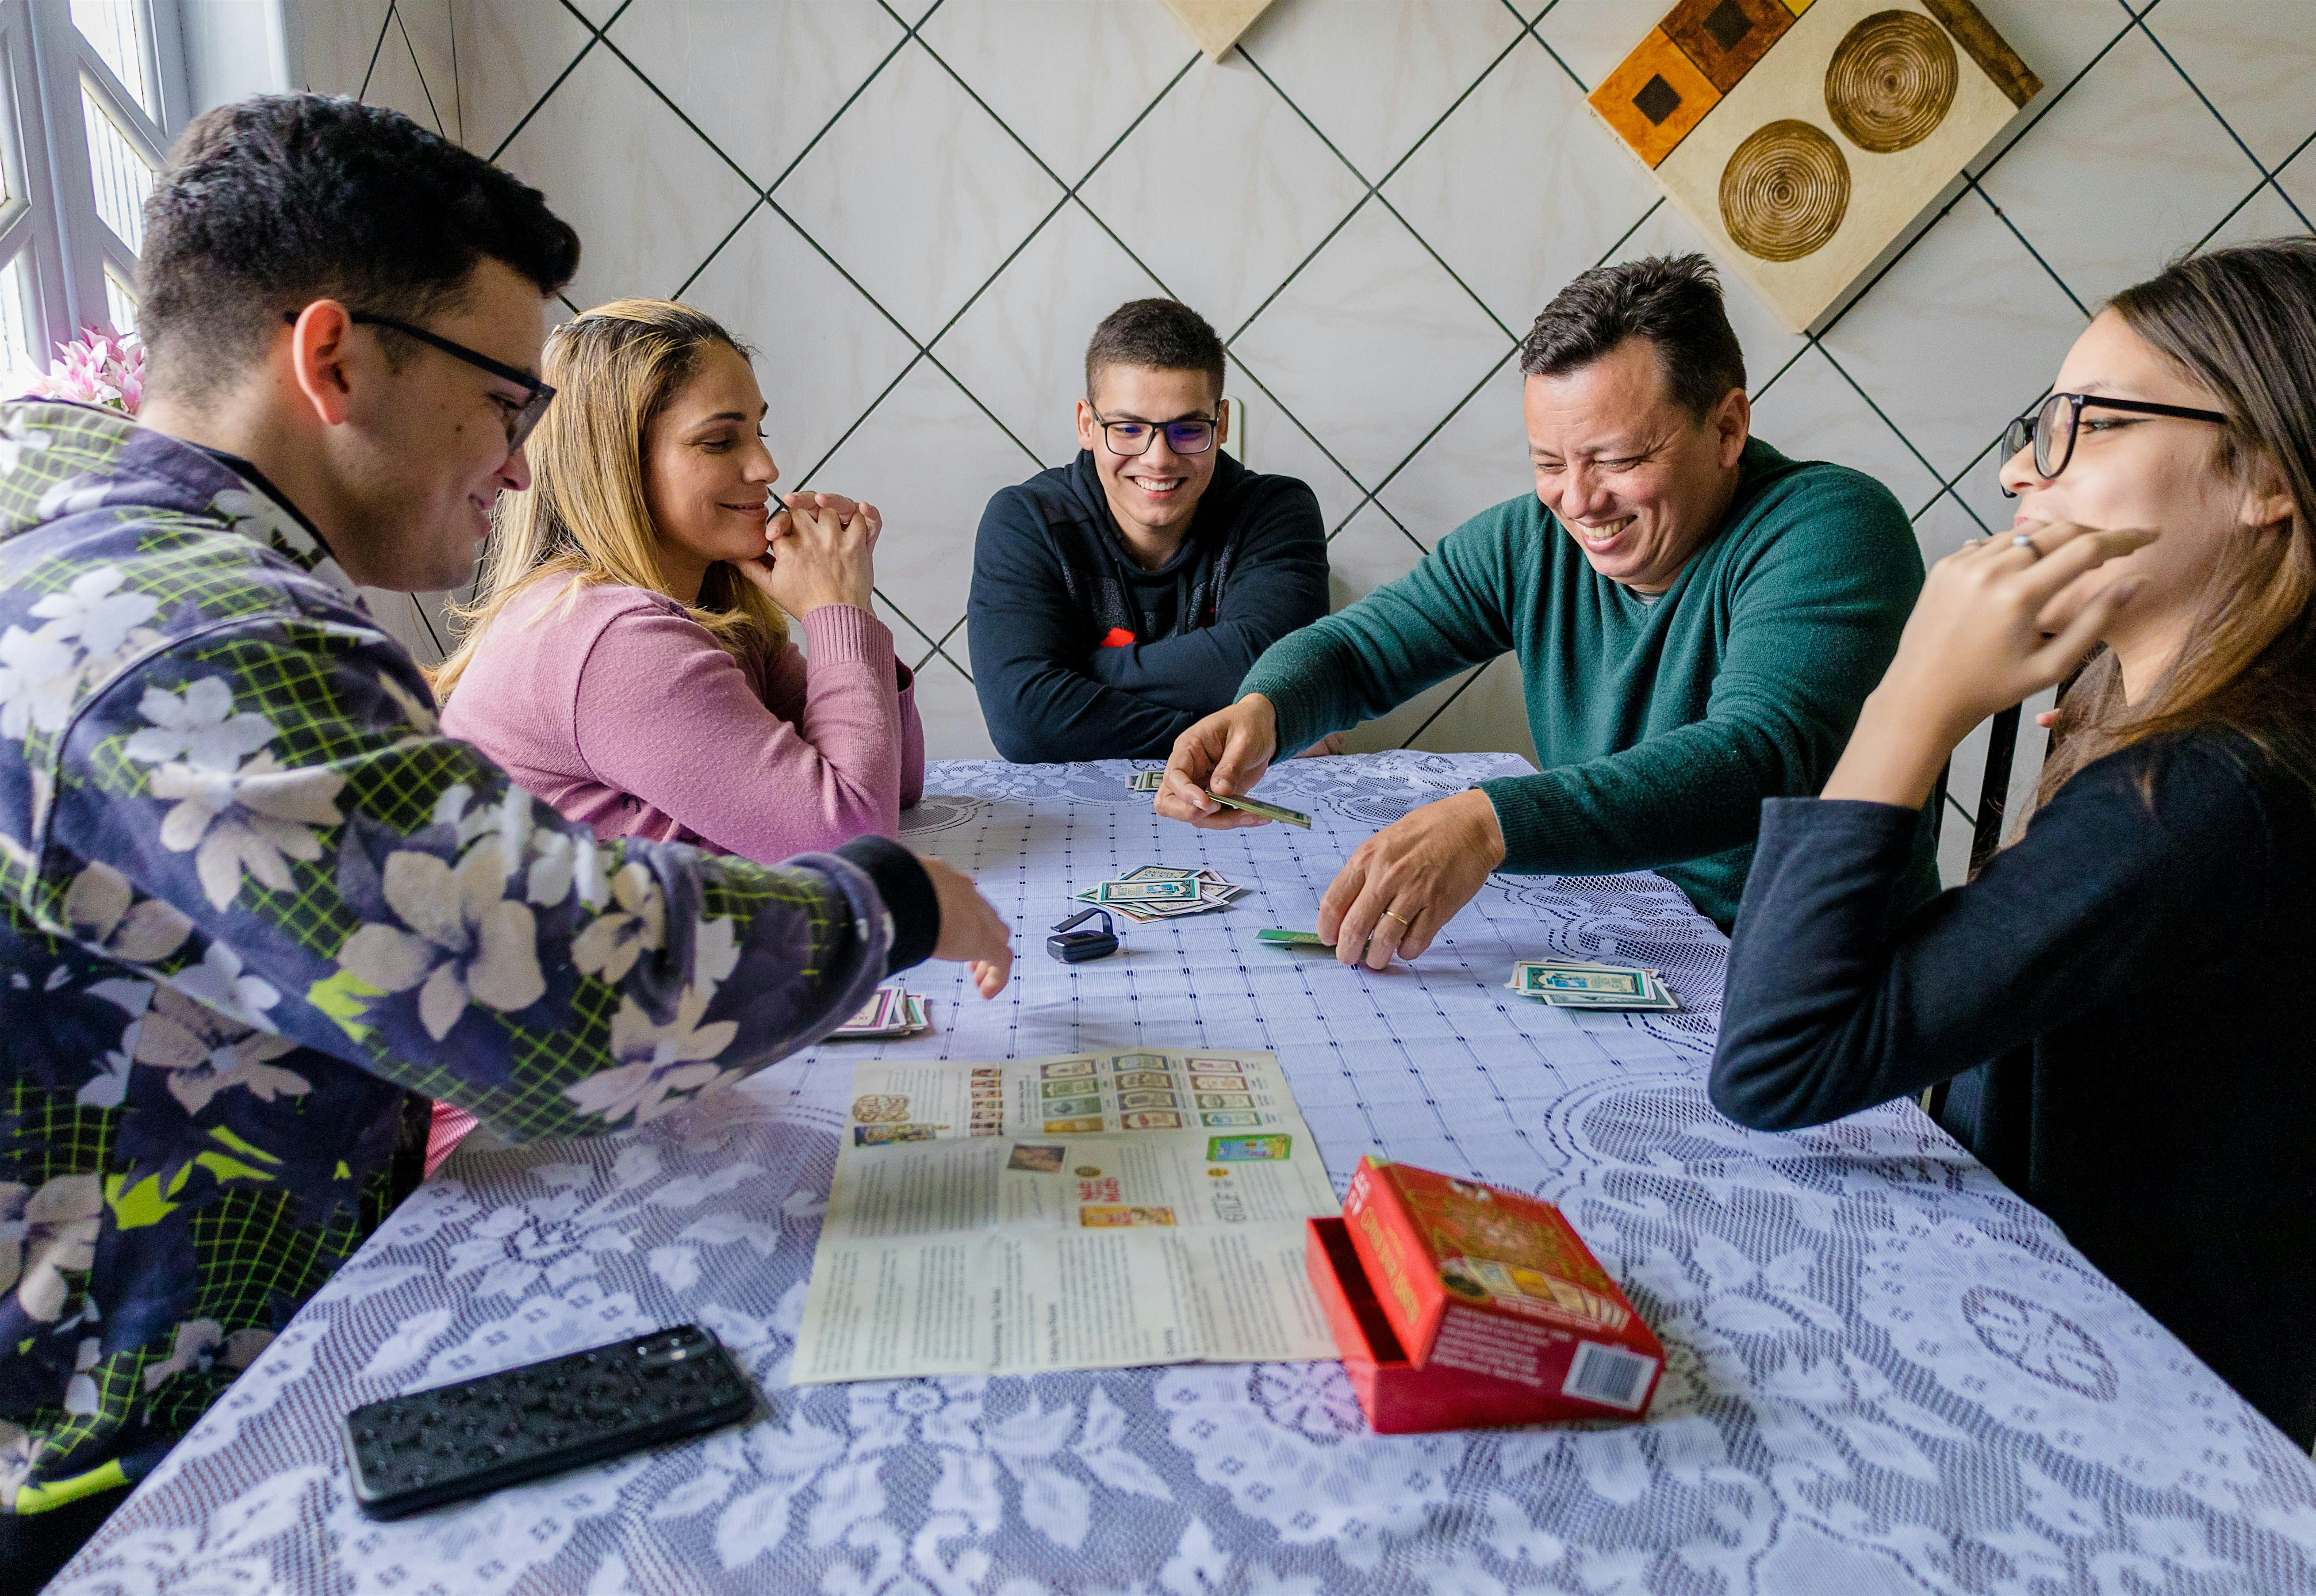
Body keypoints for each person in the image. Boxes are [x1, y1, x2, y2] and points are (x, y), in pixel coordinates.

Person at [0, 96, 1009, 1586]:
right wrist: (888, 902)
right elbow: (548, 980)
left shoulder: (111, 558)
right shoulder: (196, 638)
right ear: (331, 357)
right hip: (141, 1471)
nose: (523, 465)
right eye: (502, 399)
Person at [1709, 238, 2316, 1443]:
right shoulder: (2224, 736)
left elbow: (1776, 1064)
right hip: (2112, 1356)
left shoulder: (2207, 793)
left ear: (2264, 475)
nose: (2023, 473)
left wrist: (1909, 699)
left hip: (2115, 1417)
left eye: (2087, 424)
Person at [1158, 255, 1929, 960]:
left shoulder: (1833, 526)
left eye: (1619, 459)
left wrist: (1488, 823)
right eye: (1549, 463)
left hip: (1808, 971)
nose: (1579, 500)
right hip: (1628, 928)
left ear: (1725, 427)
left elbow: (1757, 754)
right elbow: (1358, 650)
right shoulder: (1529, 540)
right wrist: (1264, 708)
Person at [437, 300, 924, 860]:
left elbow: (898, 783)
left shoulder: (712, 610)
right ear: (617, 465)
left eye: (759, 431)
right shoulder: (612, 641)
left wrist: (844, 608)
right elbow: (853, 840)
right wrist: (838, 610)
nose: (766, 468)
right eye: (719, 442)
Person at [968, 298, 1328, 762]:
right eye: (1128, 429)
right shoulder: (1025, 521)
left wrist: (1074, 673)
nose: (1158, 458)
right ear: (1086, 424)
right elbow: (1022, 722)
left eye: (1187, 430)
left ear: (1220, 426)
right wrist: (1246, 734)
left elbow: (1272, 665)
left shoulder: (1276, 511)